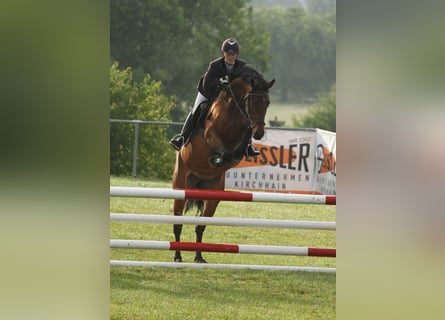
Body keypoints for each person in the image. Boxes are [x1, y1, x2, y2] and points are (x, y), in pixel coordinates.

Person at [169, 37, 260, 157]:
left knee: (246, 114)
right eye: (228, 54)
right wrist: (220, 84)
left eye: (233, 54)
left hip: (230, 97)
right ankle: (182, 137)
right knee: (197, 109)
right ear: (224, 53)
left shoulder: (242, 66)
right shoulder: (215, 65)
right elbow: (207, 84)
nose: (231, 57)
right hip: (209, 93)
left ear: (237, 54)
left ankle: (248, 145)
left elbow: (251, 79)